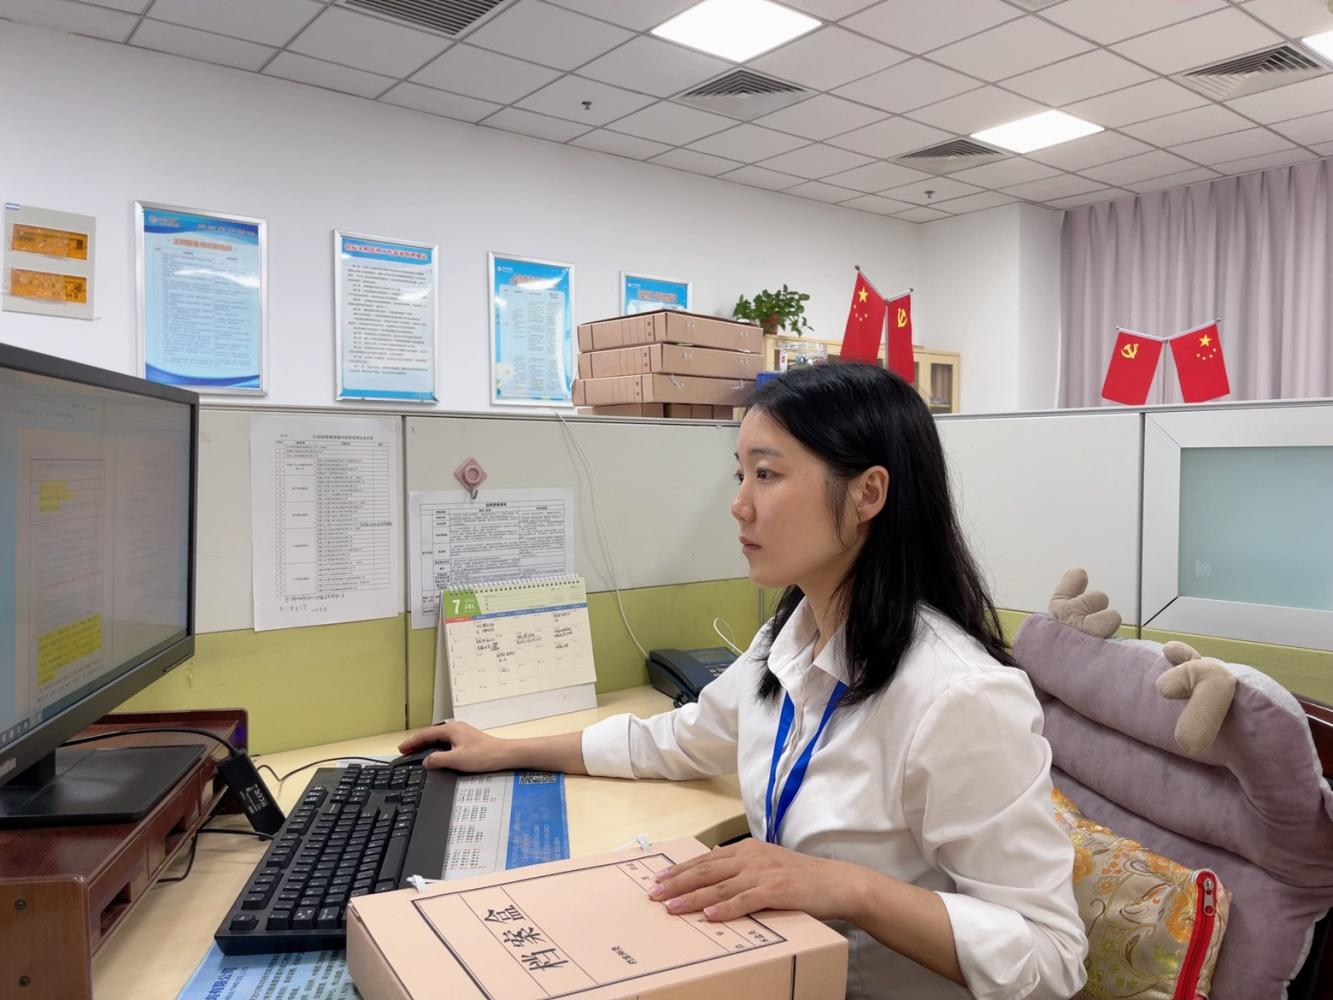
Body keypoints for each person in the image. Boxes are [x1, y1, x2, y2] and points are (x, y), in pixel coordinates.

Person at [400, 363, 1088, 1000]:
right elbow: (676, 740)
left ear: (867, 493)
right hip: (779, 967)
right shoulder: (788, 638)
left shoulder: (959, 696)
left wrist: (849, 889)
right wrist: (505, 750)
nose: (738, 505)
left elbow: (1052, 960)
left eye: (766, 474)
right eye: (740, 475)